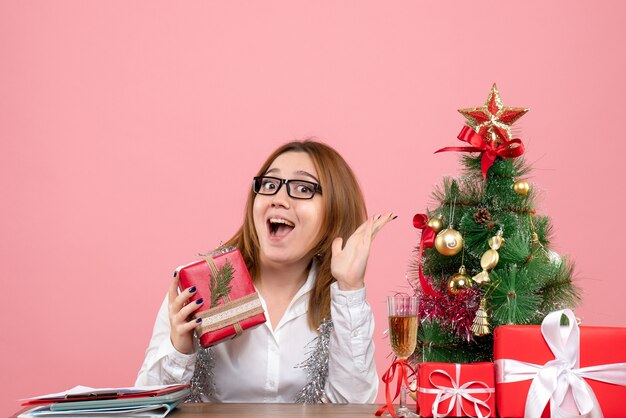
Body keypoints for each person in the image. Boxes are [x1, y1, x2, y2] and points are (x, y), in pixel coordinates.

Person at [135, 139, 395, 403]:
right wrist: (179, 347)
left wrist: (350, 288)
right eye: (270, 185)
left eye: (303, 188)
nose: (279, 199)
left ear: (334, 212)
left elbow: (352, 407)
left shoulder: (341, 297)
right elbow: (145, 405)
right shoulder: (198, 287)